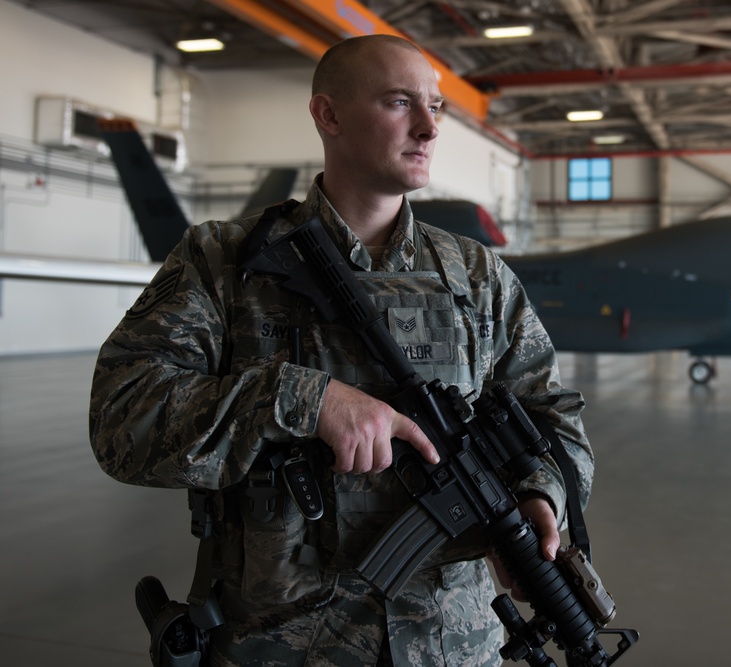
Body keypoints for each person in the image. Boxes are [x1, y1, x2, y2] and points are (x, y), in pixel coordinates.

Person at [89, 34, 593, 666]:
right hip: (280, 644)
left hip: (453, 647)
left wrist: (540, 494)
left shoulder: (478, 277)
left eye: (436, 106)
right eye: (400, 102)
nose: (429, 127)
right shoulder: (224, 260)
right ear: (328, 115)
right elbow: (120, 420)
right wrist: (302, 399)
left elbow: (552, 413)